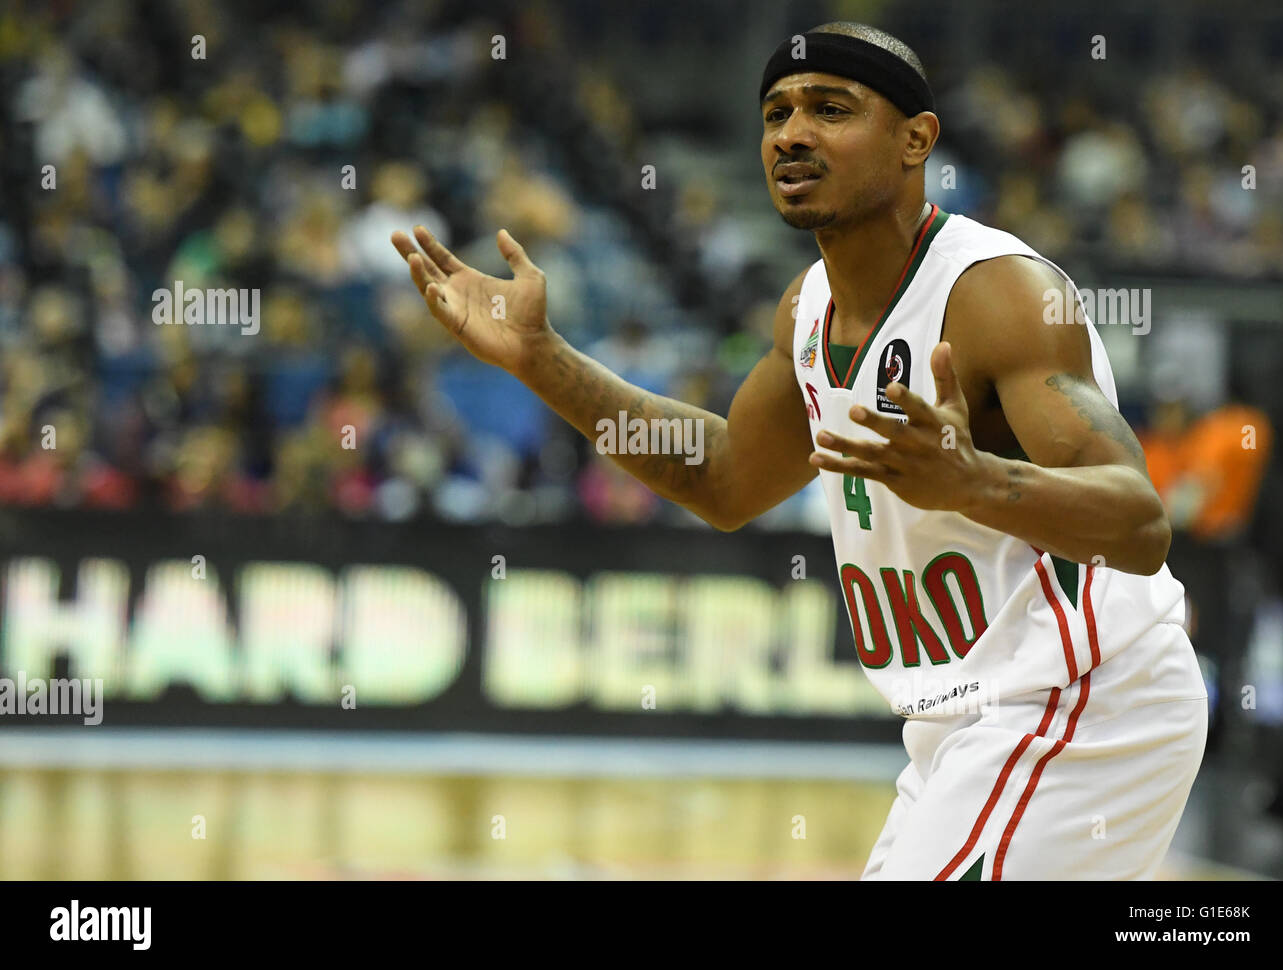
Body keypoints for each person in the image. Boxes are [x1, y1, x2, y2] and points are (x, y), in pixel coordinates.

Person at [391, 22, 1207, 880]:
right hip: (959, 729)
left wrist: (974, 481)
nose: (792, 131)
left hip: (1084, 706)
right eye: (776, 111)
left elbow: (1141, 523)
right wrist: (543, 359)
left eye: (830, 108)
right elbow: (723, 480)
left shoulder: (997, 294)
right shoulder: (806, 311)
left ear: (915, 140)